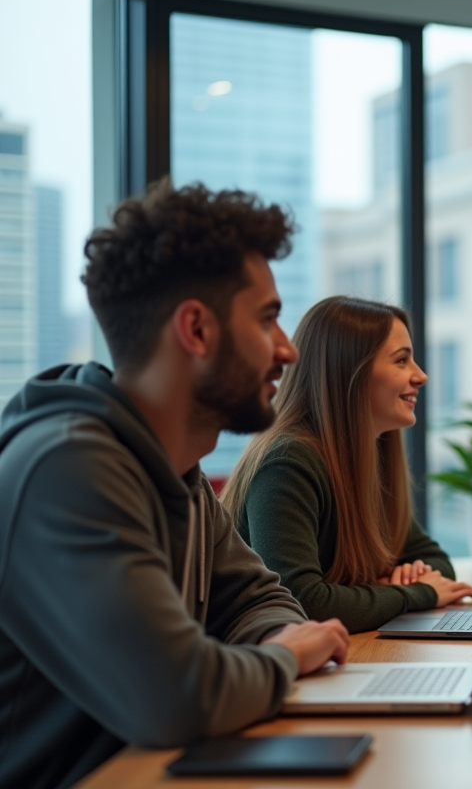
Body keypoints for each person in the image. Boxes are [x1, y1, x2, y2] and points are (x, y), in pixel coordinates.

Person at [0, 180, 351, 789]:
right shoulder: (68, 469)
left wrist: (276, 639)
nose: (288, 349)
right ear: (197, 329)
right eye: (267, 319)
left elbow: (259, 602)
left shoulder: (174, 466)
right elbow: (177, 697)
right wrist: (288, 654)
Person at [222, 296, 472, 634]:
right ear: (350, 371)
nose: (421, 376)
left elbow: (436, 560)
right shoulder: (287, 463)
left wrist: (410, 575)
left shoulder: (370, 452)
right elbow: (301, 603)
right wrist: (414, 593)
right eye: (402, 360)